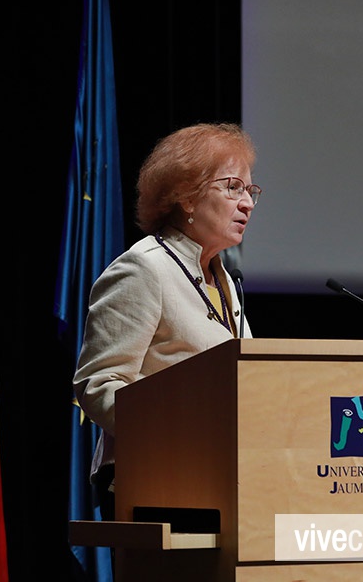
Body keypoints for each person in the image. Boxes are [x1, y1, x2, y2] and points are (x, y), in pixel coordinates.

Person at [73, 122, 262, 522]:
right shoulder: (144, 269)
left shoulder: (226, 280)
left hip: (225, 477)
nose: (247, 203)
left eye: (250, 190)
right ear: (187, 197)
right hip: (156, 481)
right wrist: (178, 434)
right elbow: (99, 384)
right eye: (233, 187)